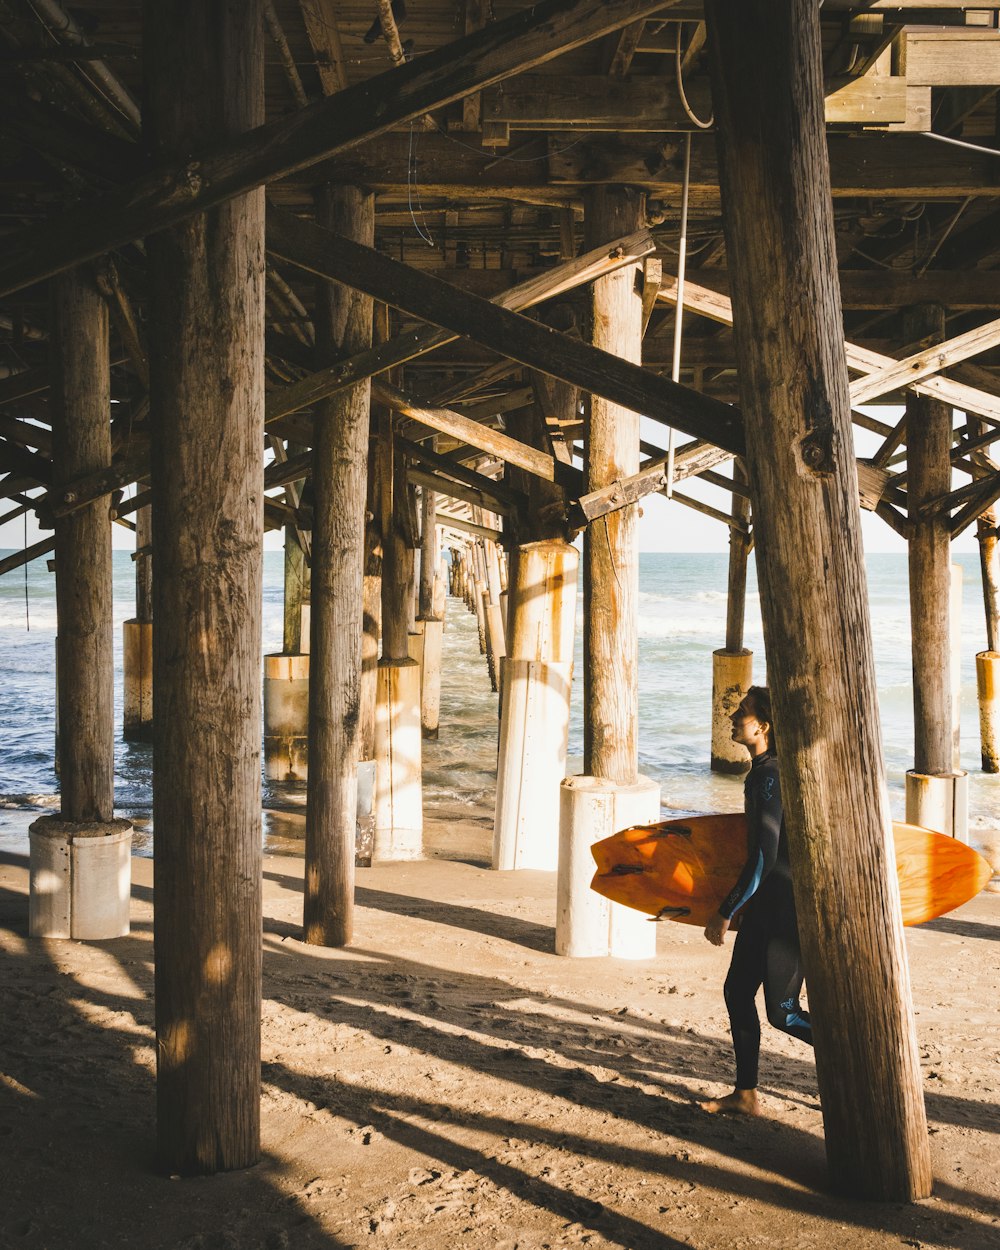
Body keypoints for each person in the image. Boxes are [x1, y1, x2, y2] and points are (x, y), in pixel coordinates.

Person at [700, 685, 812, 1115]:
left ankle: (857, 1062)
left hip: (784, 912)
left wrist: (725, 911)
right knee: (736, 992)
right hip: (765, 909)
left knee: (783, 1013)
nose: (732, 717)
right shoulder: (764, 771)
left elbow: (765, 856)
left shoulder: (769, 775)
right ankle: (746, 1095)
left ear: (762, 726)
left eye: (742, 713)